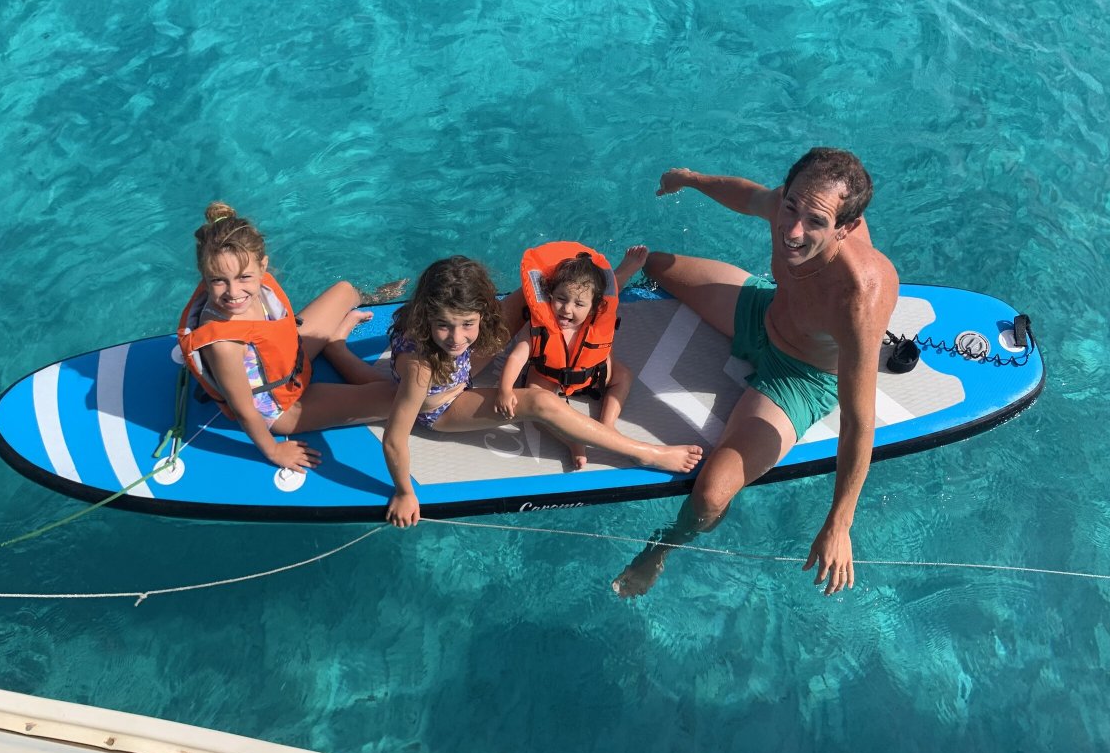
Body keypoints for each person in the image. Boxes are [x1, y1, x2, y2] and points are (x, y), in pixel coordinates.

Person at [612, 148, 899, 598]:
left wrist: (839, 524)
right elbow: (749, 196)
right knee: (652, 264)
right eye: (790, 208)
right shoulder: (797, 204)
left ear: (844, 228)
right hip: (761, 310)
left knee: (709, 497)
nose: (793, 231)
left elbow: (858, 422)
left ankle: (662, 549)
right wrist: (690, 179)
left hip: (799, 377)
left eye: (816, 223)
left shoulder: (860, 295)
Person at [383, 255, 704, 527]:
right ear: (429, 315)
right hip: (444, 405)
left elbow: (570, 291)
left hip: (459, 367)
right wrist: (403, 492)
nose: (455, 337)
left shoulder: (448, 322)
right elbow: (395, 439)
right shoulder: (420, 368)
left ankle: (577, 352)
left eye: (467, 323)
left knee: (531, 296)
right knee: (539, 401)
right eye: (445, 325)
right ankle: (645, 453)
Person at [179, 202, 401, 473]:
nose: (233, 292)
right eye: (218, 281)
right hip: (282, 405)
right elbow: (244, 410)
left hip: (290, 360)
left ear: (263, 267)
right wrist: (274, 450)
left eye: (244, 277)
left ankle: (370, 302)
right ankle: (335, 346)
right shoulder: (224, 345)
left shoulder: (246, 280)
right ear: (205, 276)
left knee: (344, 291)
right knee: (398, 398)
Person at [497, 242, 648, 469]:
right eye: (561, 298)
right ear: (549, 295)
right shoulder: (539, 326)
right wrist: (505, 390)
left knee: (624, 376)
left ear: (594, 307)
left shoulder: (596, 319)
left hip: (593, 374)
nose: (567, 309)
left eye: (578, 304)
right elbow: (517, 358)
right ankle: (573, 441)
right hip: (548, 376)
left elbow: (611, 292)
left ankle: (607, 424)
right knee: (535, 395)